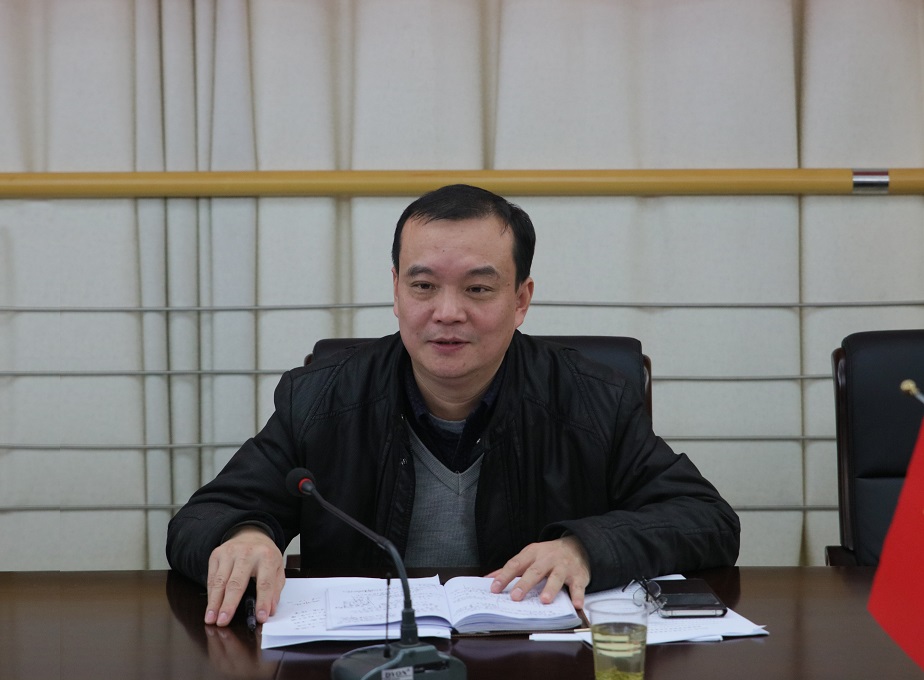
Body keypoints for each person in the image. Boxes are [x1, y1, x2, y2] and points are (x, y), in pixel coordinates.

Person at [167, 184, 740, 628]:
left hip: (536, 660)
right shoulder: (321, 397)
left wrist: (585, 547)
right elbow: (198, 520)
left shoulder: (592, 399)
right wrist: (243, 535)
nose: (447, 312)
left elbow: (707, 519)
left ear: (521, 299)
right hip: (368, 658)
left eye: (478, 289)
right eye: (423, 286)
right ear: (396, 291)